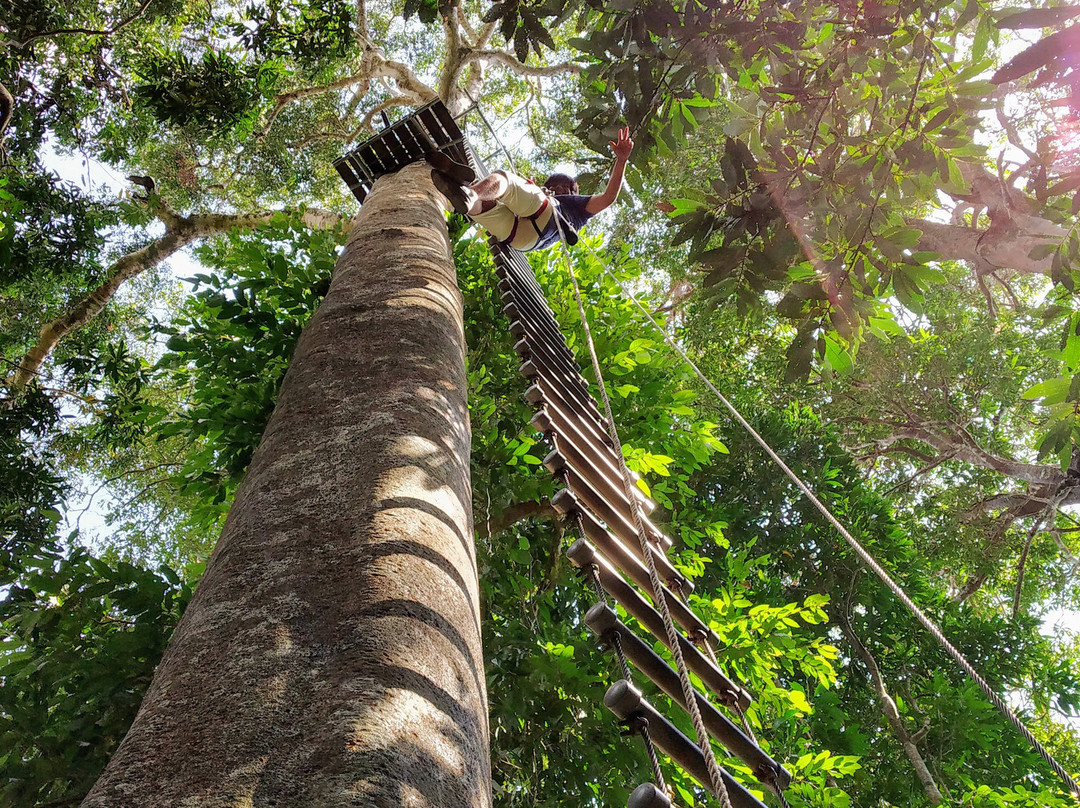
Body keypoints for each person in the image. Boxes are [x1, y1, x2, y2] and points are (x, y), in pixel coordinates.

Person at [428, 127, 634, 252]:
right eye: (553, 186)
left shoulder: (578, 209)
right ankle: (465, 193)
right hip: (522, 239)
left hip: (547, 217)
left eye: (563, 187)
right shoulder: (545, 194)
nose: (557, 188)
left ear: (573, 192)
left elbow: (608, 198)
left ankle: (470, 193)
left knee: (505, 179)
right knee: (486, 205)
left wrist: (622, 160)